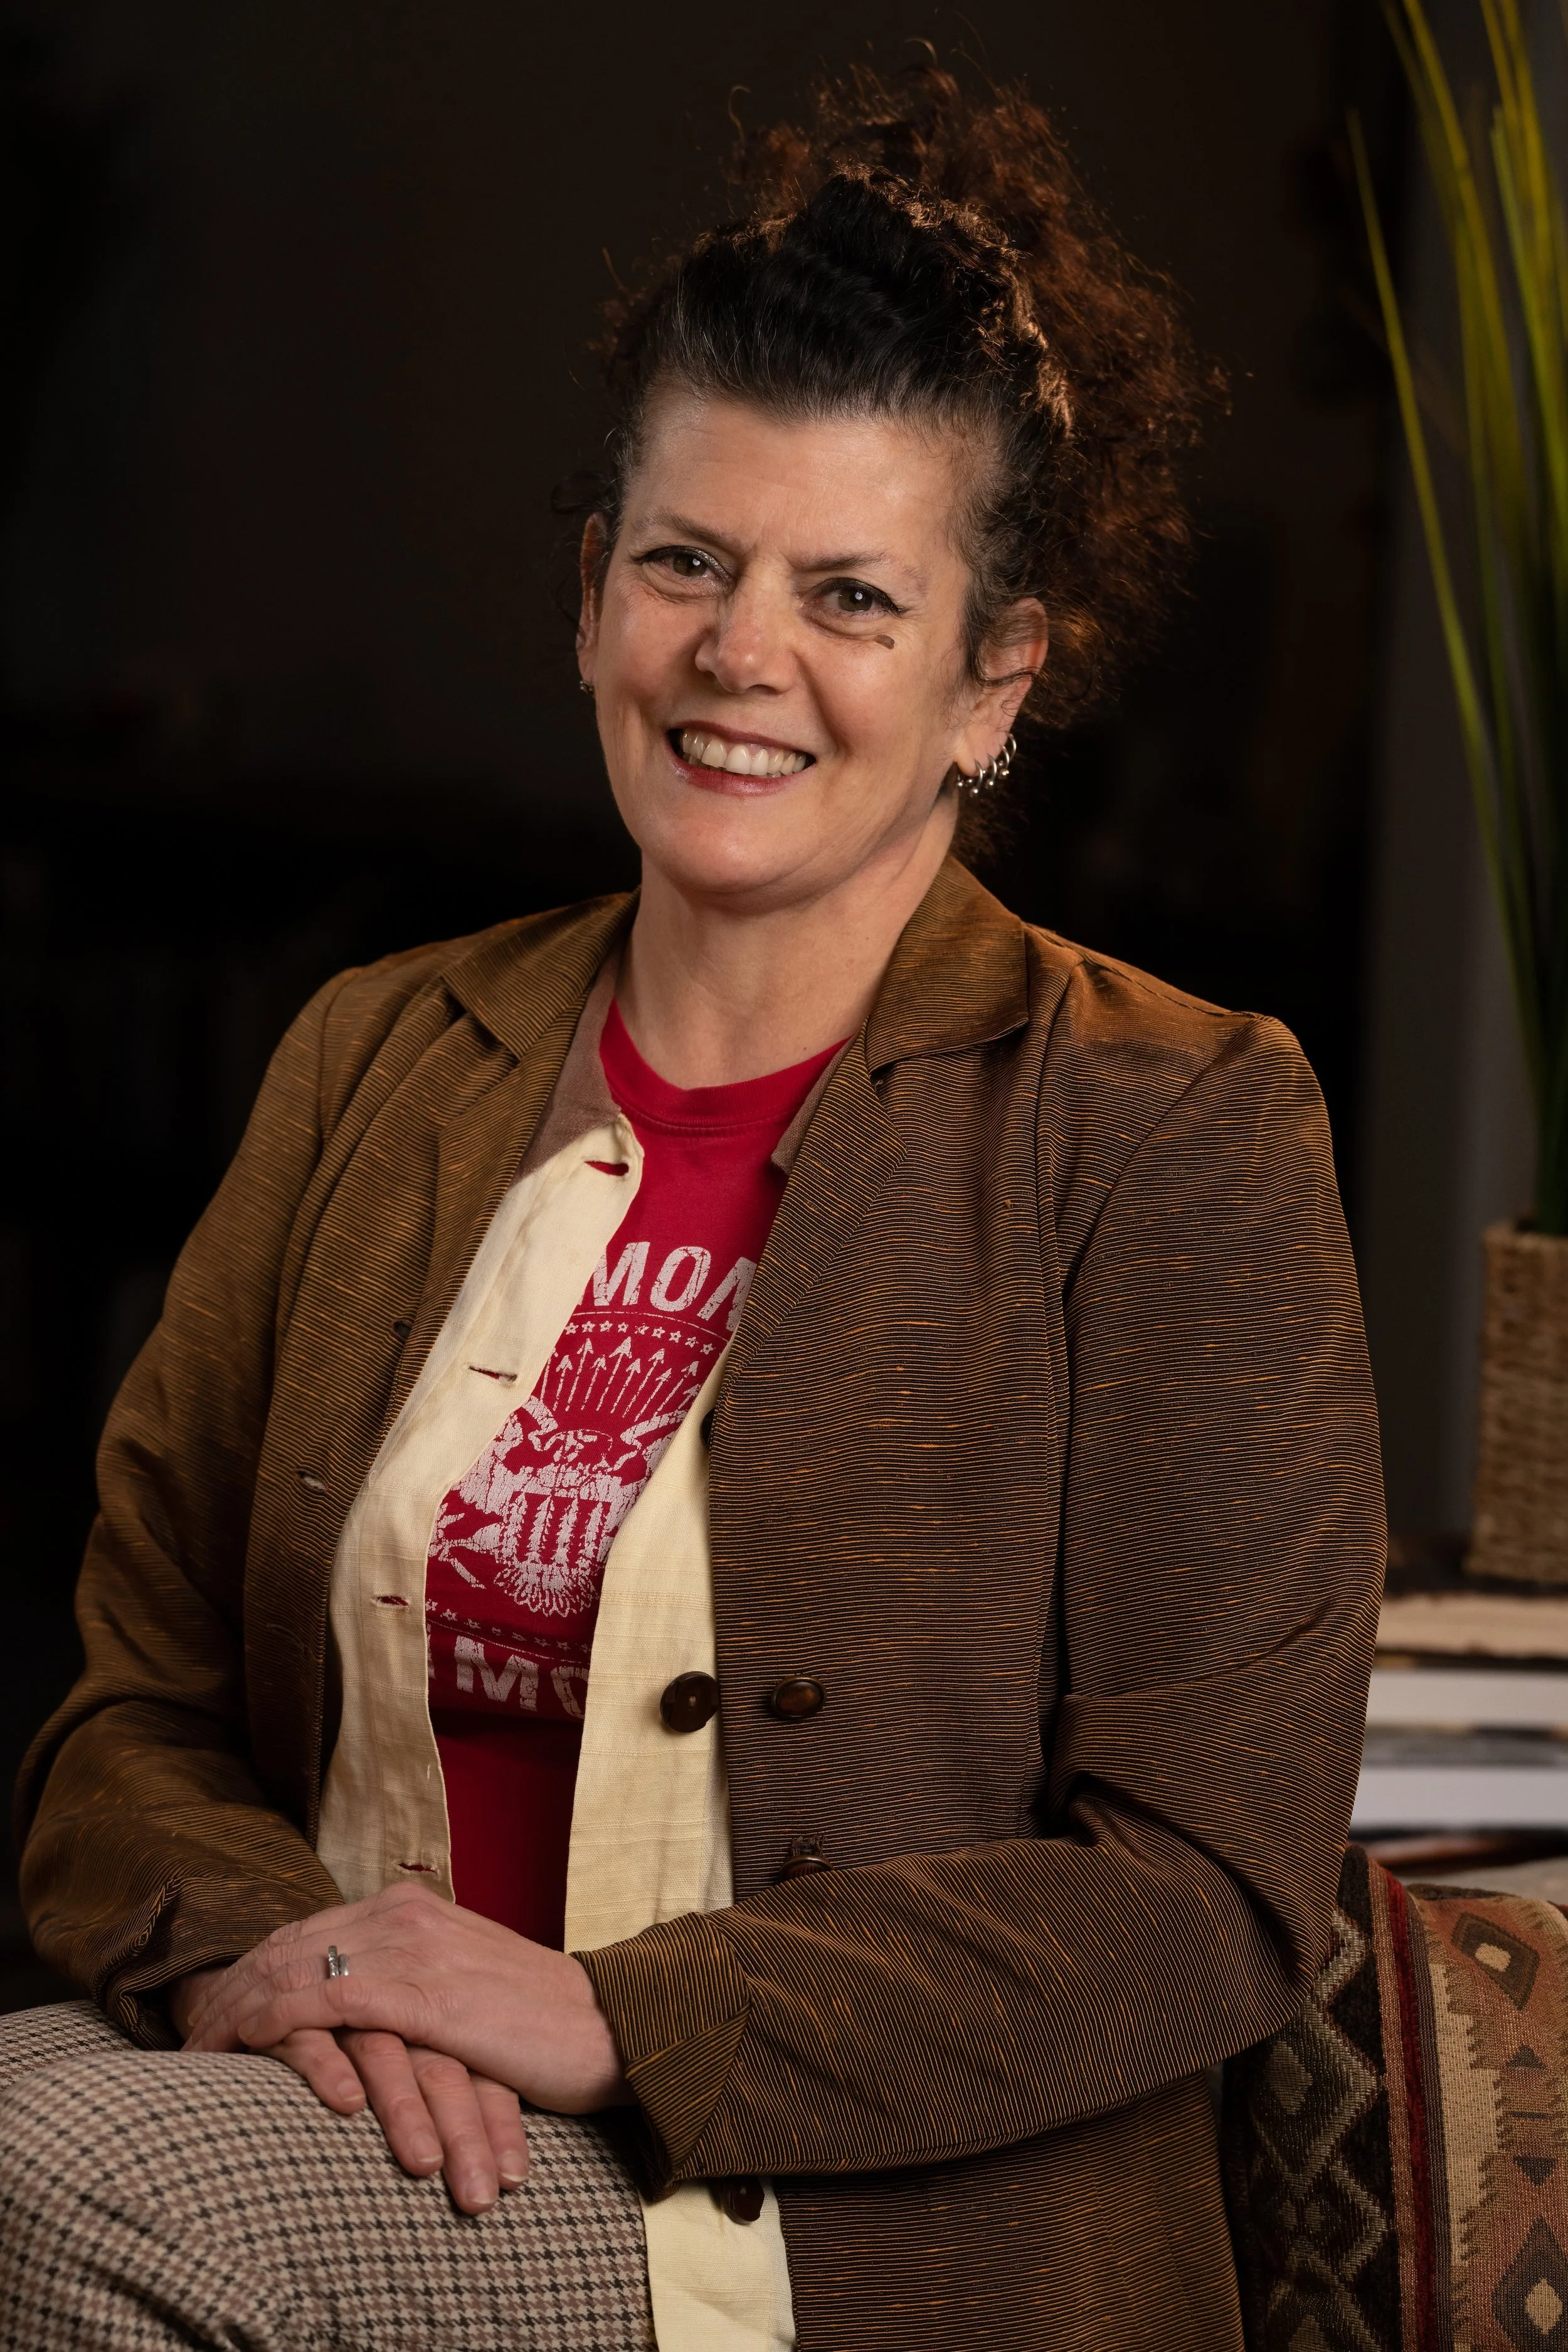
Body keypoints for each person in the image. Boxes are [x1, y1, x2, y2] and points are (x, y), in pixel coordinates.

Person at [0, 62, 1382, 2352]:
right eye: (685, 561)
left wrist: (620, 2014)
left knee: (64, 2198)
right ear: (591, 595)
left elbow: (1200, 1895)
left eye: (851, 592)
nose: (743, 652)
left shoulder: (1175, 1123)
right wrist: (310, 1953)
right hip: (361, 2121)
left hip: (830, 2236)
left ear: (991, 680)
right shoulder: (375, 1052)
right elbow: (124, 1704)